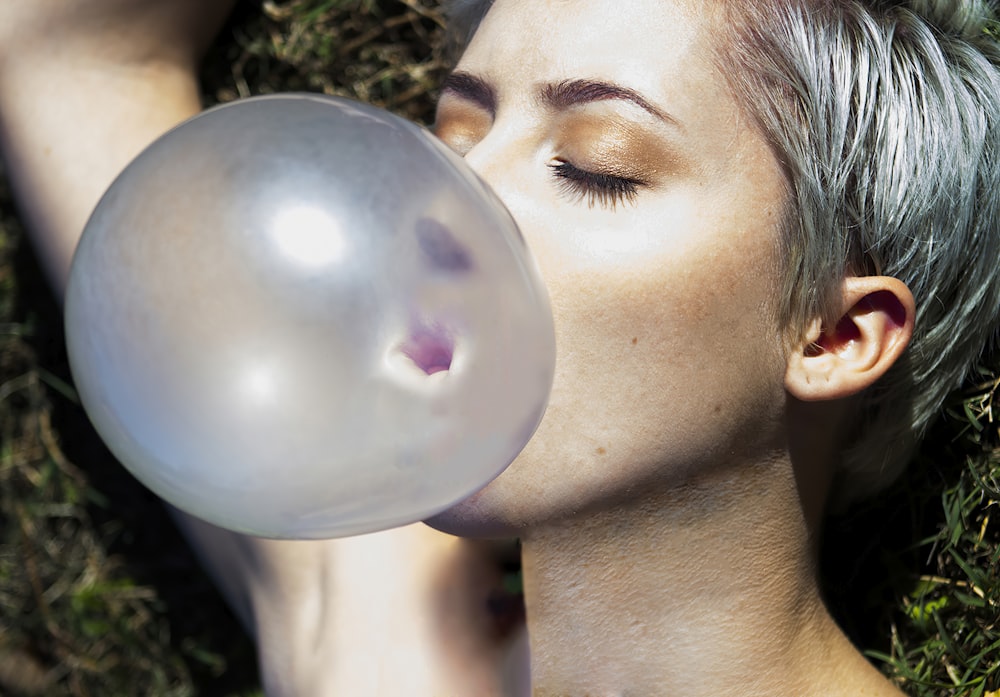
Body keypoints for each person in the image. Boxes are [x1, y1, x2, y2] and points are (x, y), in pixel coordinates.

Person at [2, 0, 998, 695]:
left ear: (833, 334)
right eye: (450, 134)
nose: (441, 201)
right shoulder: (376, 636)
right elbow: (55, 46)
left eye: (593, 166)